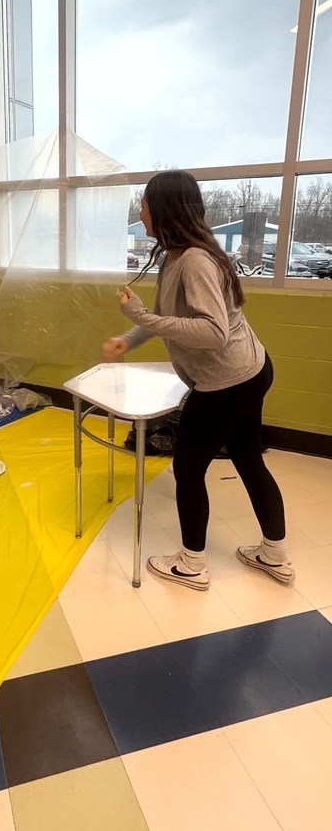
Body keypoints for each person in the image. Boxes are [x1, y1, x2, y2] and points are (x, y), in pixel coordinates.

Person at [103, 170, 294, 591]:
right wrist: (127, 339)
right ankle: (274, 555)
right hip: (248, 371)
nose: (140, 211)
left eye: (145, 204)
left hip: (229, 381)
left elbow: (212, 332)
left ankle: (191, 565)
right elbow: (165, 319)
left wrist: (139, 318)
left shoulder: (195, 261)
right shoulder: (176, 256)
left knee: (187, 468)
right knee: (247, 459)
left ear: (164, 210)